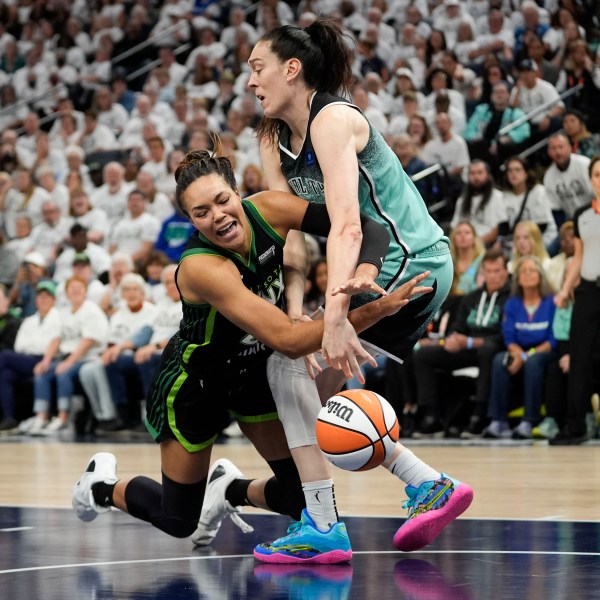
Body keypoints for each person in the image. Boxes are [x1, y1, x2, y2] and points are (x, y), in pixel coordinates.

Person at [72, 148, 430, 563]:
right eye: (201, 212)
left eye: (223, 201)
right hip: (195, 385)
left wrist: (366, 271)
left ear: (238, 193)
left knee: (304, 502)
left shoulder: (270, 209)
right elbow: (289, 340)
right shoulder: (201, 267)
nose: (218, 216)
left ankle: (231, 489)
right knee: (179, 520)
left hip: (250, 373)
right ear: (190, 221)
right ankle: (100, 485)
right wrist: (377, 310)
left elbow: (364, 225)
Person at [243, 17, 473, 559]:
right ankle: (425, 484)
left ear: (291, 69)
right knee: (312, 382)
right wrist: (299, 315)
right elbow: (293, 238)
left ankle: (324, 525)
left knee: (287, 367)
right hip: (370, 270)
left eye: (258, 68)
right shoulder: (273, 138)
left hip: (408, 262)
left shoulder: (333, 118)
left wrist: (337, 314)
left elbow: (348, 223)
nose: (250, 81)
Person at [412, 248, 511, 438]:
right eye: (488, 271)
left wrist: (472, 342)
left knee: (488, 350)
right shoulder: (471, 298)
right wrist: (453, 339)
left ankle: (480, 414)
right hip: (466, 348)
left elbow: (505, 336)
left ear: (506, 272)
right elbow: (458, 326)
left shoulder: (511, 298)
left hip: (493, 348)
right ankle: (431, 415)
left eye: (497, 271)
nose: (492, 276)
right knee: (423, 355)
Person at [552, 156, 600, 444]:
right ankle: (575, 425)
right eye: (596, 174)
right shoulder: (582, 213)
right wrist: (564, 289)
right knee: (578, 356)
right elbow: (578, 258)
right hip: (588, 291)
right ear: (591, 179)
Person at [483, 256, 557, 439]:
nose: (528, 274)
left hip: (544, 352)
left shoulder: (551, 302)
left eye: (532, 270)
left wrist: (526, 356)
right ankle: (498, 421)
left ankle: (529, 421)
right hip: (517, 350)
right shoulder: (512, 303)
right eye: (524, 271)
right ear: (517, 278)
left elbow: (552, 340)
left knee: (533, 362)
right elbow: (509, 336)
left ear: (541, 276)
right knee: (500, 360)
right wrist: (518, 353)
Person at [0, 280, 60, 432]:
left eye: (47, 296)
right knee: (6, 374)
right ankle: (9, 418)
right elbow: (20, 345)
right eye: (40, 296)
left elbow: (53, 343)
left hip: (46, 360)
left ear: (54, 299)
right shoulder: (29, 321)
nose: (43, 299)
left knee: (5, 356)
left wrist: (36, 347)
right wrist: (36, 345)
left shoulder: (59, 318)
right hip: (26, 359)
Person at [501, 156, 557, 253]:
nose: (513, 173)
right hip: (517, 242)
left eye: (517, 170)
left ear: (526, 173)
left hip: (542, 238)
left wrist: (523, 243)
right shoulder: (504, 196)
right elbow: (505, 227)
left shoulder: (538, 192)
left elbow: (542, 225)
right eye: (510, 171)